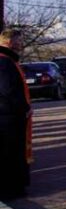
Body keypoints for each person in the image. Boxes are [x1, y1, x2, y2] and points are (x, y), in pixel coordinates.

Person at [0, 29, 31, 199]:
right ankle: (11, 188)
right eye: (19, 41)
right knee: (10, 153)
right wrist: (24, 108)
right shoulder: (4, 62)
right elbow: (8, 89)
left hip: (8, 114)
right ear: (10, 42)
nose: (21, 44)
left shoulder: (7, 60)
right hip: (8, 116)